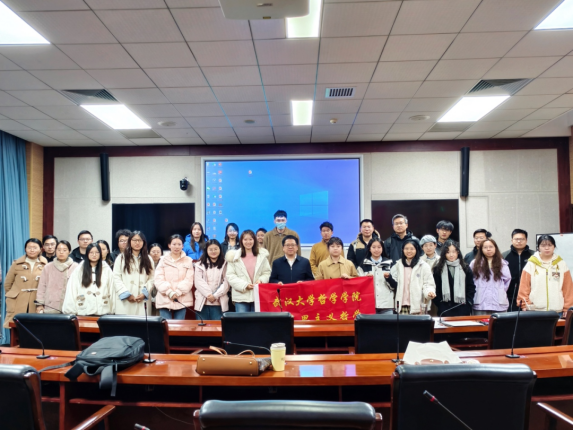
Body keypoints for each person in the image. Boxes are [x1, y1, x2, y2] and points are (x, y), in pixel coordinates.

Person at [518, 235, 573, 317]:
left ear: (554, 247)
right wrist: (524, 304)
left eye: (550, 245)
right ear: (538, 247)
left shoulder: (561, 264)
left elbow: (568, 288)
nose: (547, 248)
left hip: (557, 311)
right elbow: (524, 287)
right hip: (535, 310)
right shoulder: (531, 264)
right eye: (543, 245)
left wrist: (567, 308)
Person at [3, 239, 47, 328]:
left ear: (40, 249)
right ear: (25, 249)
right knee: (15, 326)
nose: (32, 250)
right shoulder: (16, 264)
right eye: (29, 247)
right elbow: (8, 284)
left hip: (36, 301)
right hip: (17, 300)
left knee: (34, 327)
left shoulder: (45, 265)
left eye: (35, 247)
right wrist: (13, 294)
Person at [63, 243, 115, 316]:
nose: (94, 255)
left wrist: (114, 309)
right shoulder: (79, 269)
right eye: (91, 252)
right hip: (83, 311)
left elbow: (112, 289)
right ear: (87, 253)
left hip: (103, 310)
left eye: (97, 252)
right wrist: (70, 310)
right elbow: (72, 290)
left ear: (100, 254)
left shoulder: (106, 269)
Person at [386, 240, 436, 315]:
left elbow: (428, 284)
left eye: (412, 249)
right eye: (406, 248)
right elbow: (393, 285)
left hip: (418, 305)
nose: (409, 251)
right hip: (402, 305)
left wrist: (429, 292)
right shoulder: (398, 265)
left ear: (416, 250)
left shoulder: (423, 265)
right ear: (403, 250)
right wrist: (388, 278)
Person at [226, 230, 271, 313]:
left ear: (254, 240)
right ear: (241, 241)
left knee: (256, 320)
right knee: (242, 321)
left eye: (250, 239)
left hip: (258, 295)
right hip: (241, 296)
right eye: (245, 239)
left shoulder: (262, 255)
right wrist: (245, 285)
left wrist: (261, 280)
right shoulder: (233, 256)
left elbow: (267, 272)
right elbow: (230, 276)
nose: (248, 242)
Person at [113, 231, 154, 316]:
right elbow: (116, 278)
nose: (137, 243)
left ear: (143, 242)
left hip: (142, 300)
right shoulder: (121, 258)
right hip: (125, 300)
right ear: (130, 241)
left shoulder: (149, 259)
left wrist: (144, 293)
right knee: (125, 323)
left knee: (142, 323)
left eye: (140, 240)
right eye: (134, 240)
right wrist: (126, 294)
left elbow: (152, 278)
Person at [154, 234, 194, 320]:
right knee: (165, 326)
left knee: (180, 326)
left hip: (181, 298)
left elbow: (189, 280)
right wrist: (170, 292)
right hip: (165, 297)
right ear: (169, 245)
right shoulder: (163, 260)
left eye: (179, 244)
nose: (177, 247)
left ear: (183, 246)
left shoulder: (188, 261)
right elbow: (158, 278)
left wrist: (178, 292)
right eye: (174, 244)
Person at [432, 240, 476, 317]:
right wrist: (440, 303)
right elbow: (435, 288)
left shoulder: (465, 267)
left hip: (462, 307)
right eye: (448, 252)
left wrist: (468, 303)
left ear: (458, 252)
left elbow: (471, 287)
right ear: (444, 254)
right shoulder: (438, 268)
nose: (451, 255)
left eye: (454, 252)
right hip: (445, 308)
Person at [470, 238, 511, 315]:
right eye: (485, 247)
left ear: (495, 248)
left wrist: (500, 290)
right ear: (481, 249)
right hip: (480, 302)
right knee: (479, 322)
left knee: (499, 322)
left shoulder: (502, 263)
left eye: (491, 247)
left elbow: (507, 280)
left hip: (498, 302)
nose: (488, 249)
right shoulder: (474, 263)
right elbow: (470, 280)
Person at [36, 240, 79, 314]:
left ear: (69, 251)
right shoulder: (48, 267)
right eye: (59, 250)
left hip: (70, 305)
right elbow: (42, 286)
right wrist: (40, 304)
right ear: (55, 251)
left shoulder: (76, 267)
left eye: (64, 250)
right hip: (51, 304)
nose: (61, 252)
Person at [194, 239, 230, 321]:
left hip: (219, 302)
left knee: (218, 327)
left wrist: (215, 296)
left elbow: (226, 283)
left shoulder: (225, 264)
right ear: (206, 251)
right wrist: (209, 295)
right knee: (201, 327)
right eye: (210, 249)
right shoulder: (199, 264)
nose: (213, 251)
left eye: (215, 249)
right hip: (202, 302)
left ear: (220, 249)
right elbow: (198, 282)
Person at [357, 239, 394, 314]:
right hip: (368, 304)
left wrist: (388, 278)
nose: (376, 250)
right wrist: (365, 279)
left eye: (379, 247)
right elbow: (359, 287)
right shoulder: (363, 265)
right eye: (373, 247)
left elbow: (395, 286)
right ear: (369, 249)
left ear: (382, 248)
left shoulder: (390, 263)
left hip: (386, 305)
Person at [502, 229, 536, 312]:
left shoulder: (534, 255)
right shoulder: (504, 255)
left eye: (521, 239)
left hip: (530, 294)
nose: (519, 241)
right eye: (516, 239)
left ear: (526, 240)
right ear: (512, 240)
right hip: (510, 295)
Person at [148, 243, 164, 316]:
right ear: (149, 253)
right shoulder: (145, 264)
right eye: (153, 252)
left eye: (158, 252)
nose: (156, 254)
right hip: (148, 294)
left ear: (161, 253)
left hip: (161, 294)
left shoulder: (164, 264)